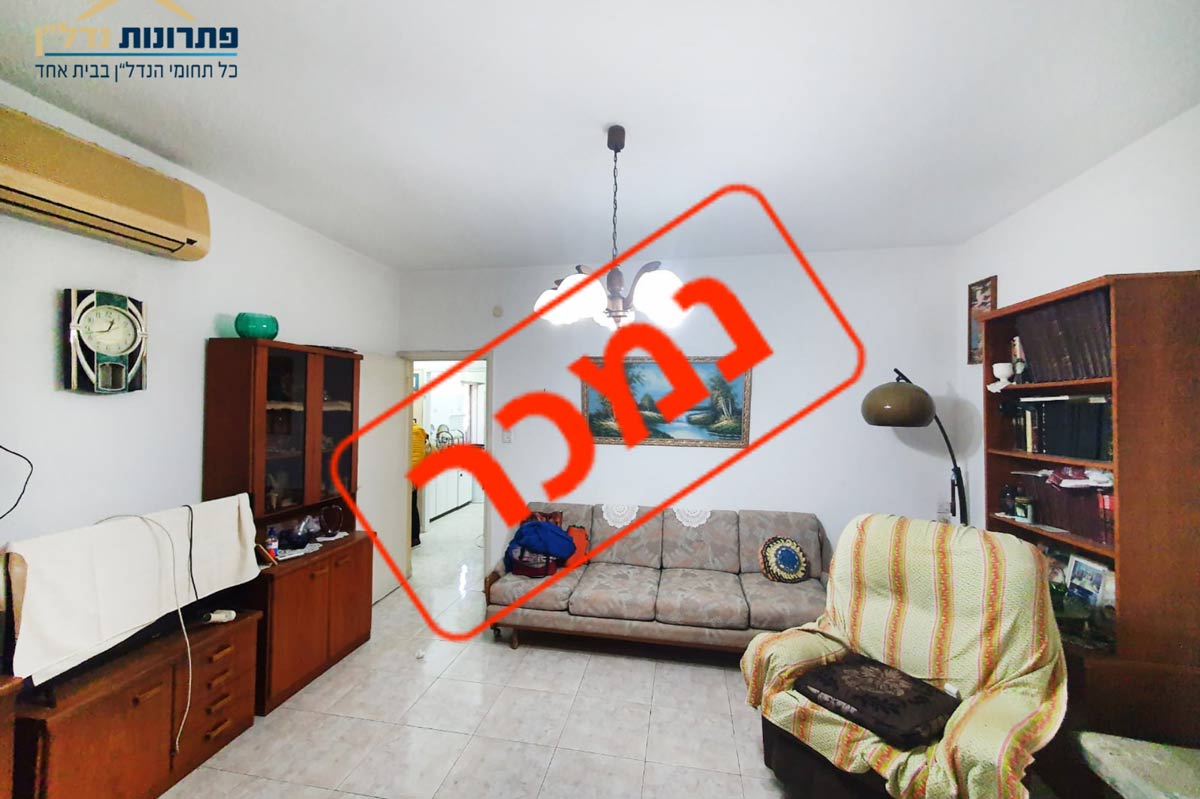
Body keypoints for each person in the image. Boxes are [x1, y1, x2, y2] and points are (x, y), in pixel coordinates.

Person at [410, 418, 430, 547]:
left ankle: (412, 537)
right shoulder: (420, 431)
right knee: (412, 505)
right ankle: (415, 537)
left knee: (409, 507)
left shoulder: (411, 432)